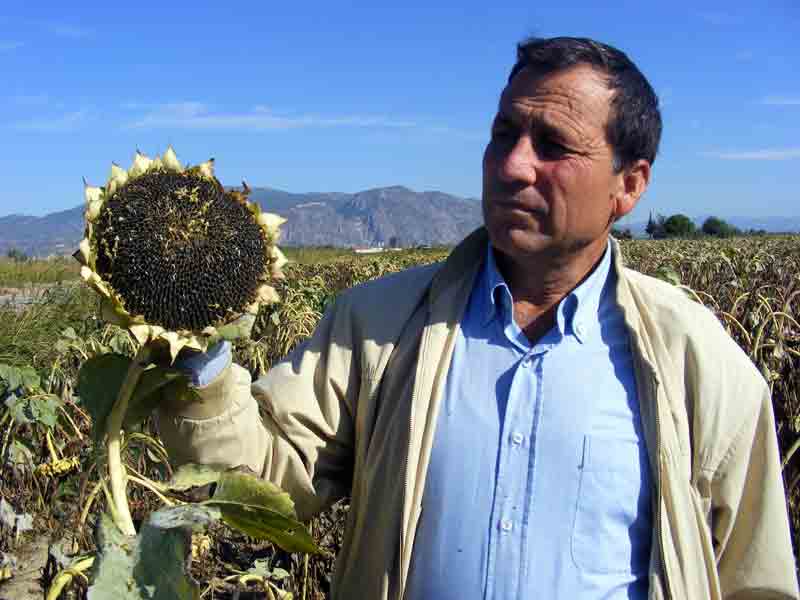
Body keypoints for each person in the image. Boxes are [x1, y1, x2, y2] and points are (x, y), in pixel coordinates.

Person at [157, 37, 798, 599]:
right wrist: (196, 350)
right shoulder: (378, 323)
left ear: (628, 186)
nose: (514, 165)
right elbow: (268, 474)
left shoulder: (694, 359)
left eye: (553, 146)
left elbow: (753, 579)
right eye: (503, 135)